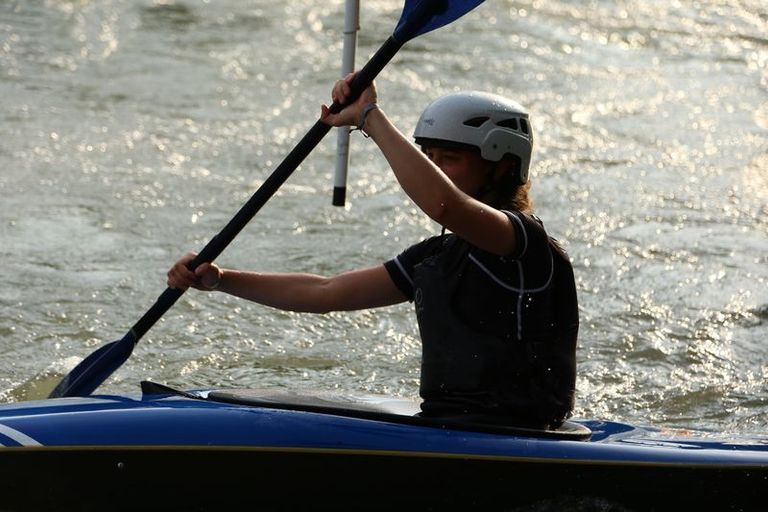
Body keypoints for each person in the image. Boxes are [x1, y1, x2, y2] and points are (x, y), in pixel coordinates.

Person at [167, 73, 579, 429]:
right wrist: (221, 279)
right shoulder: (436, 256)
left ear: (503, 165)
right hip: (447, 424)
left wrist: (369, 117)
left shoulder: (524, 244)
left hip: (518, 432)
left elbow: (444, 204)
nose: (434, 167)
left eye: (448, 158)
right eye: (428, 157)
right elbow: (326, 292)